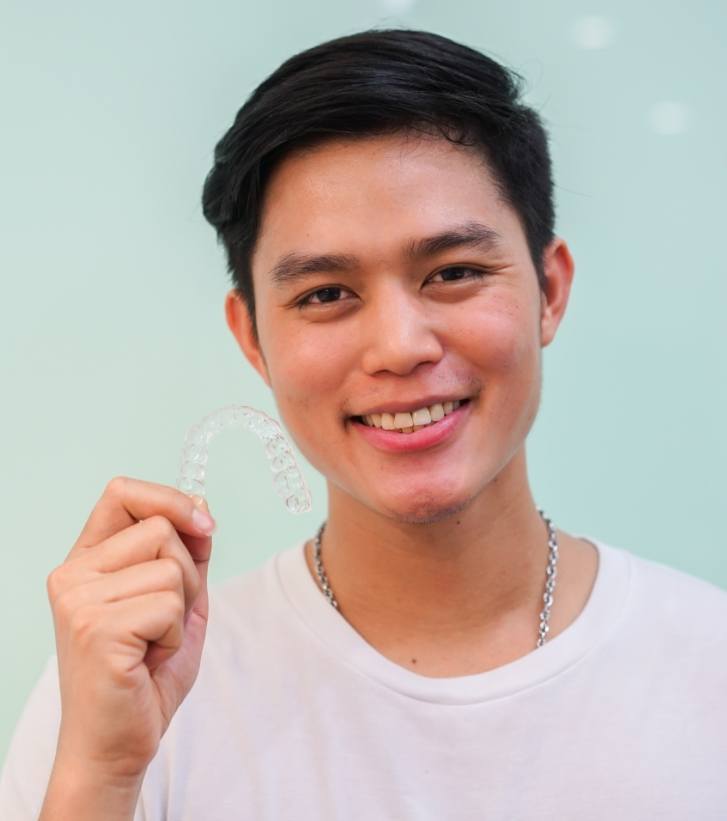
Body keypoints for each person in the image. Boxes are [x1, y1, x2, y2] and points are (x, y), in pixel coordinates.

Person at [2, 27, 726, 821]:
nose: (399, 346)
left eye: (453, 273)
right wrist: (101, 776)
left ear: (548, 290)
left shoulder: (705, 663)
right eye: (325, 293)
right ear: (252, 338)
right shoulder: (138, 692)